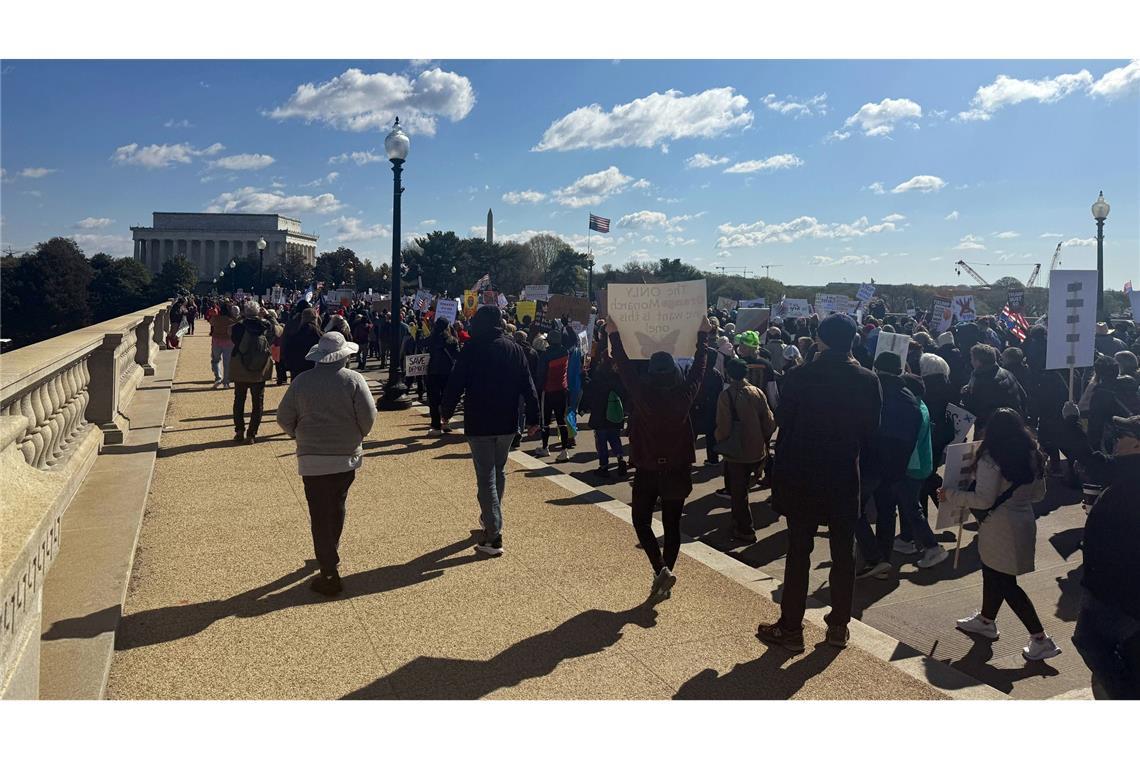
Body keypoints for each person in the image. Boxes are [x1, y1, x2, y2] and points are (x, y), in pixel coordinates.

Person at [757, 314, 881, 653]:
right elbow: (871, 431)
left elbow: (783, 421)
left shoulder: (800, 376)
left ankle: (791, 628)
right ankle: (838, 627)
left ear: (821, 340)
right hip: (844, 473)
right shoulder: (869, 380)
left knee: (799, 552)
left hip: (803, 473)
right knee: (844, 554)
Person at [938, 409, 1062, 661]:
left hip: (999, 525)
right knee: (994, 574)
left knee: (1005, 582)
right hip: (1023, 520)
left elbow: (983, 500)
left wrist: (950, 494)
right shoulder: (1034, 453)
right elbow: (1039, 494)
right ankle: (986, 619)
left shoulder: (990, 458)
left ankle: (1040, 638)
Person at [606, 315, 713, 602]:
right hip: (677, 468)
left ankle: (660, 569)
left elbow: (626, 369)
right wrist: (704, 337)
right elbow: (699, 371)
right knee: (672, 525)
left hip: (647, 468)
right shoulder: (684, 395)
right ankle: (665, 574)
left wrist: (614, 334)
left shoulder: (643, 393)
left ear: (651, 373)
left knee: (641, 520)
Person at [276, 332, 377, 596]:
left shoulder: (302, 381)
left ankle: (328, 566)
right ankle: (330, 551)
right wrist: (358, 434)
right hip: (345, 454)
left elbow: (283, 417)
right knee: (337, 504)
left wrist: (297, 433)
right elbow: (368, 416)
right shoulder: (353, 380)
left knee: (319, 512)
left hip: (312, 457)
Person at [441, 306, 540, 557]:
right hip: (507, 421)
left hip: (480, 420)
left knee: (486, 476)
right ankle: (490, 516)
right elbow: (528, 385)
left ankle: (494, 535)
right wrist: (534, 417)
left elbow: (456, 381)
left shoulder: (472, 348)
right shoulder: (515, 349)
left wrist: (446, 410)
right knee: (498, 470)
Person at [1059, 408, 1140, 698]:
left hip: (1113, 590)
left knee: (1089, 641)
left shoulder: (1130, 473)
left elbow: (1093, 460)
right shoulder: (1128, 470)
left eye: (1123, 435)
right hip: (1121, 589)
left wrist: (1070, 424)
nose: (1115, 439)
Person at [714, 357, 776, 543]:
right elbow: (770, 421)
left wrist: (719, 439)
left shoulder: (726, 396)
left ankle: (744, 528)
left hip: (737, 451)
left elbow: (723, 426)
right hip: (757, 448)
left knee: (738, 492)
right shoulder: (757, 392)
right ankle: (742, 523)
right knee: (748, 484)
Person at [577, 334, 628, 478]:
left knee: (601, 440)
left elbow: (590, 389)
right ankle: (620, 458)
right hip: (615, 411)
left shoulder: (600, 374)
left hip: (600, 412)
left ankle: (604, 465)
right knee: (615, 438)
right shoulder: (619, 375)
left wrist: (584, 376)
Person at [961, 343, 1026, 435]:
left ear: (978, 362)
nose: (971, 361)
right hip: (1014, 423)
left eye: (972, 358)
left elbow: (976, 409)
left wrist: (965, 394)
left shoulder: (983, 381)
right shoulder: (1007, 372)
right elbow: (1023, 396)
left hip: (993, 430)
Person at [1087, 355, 1140, 452]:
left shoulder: (1101, 393)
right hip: (1136, 432)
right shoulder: (1131, 383)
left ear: (1098, 372)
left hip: (1120, 441)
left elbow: (1095, 426)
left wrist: (1094, 452)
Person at [535, 331, 572, 461]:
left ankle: (545, 447)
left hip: (548, 390)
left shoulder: (545, 355)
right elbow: (572, 340)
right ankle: (564, 450)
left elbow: (541, 374)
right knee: (561, 421)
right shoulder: (565, 352)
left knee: (545, 421)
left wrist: (538, 389)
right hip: (562, 388)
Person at [425, 317, 459, 435]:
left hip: (433, 372)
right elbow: (457, 356)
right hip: (448, 373)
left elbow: (420, 344)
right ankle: (446, 421)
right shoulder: (453, 340)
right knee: (447, 398)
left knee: (434, 400)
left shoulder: (431, 339)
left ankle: (436, 425)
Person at [283, 308, 322, 380]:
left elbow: (286, 352)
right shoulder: (321, 336)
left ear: (303, 318)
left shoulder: (294, 335)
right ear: (316, 319)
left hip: (297, 371)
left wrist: (290, 366)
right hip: (314, 371)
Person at [208, 301, 239, 389]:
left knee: (215, 360)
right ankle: (226, 381)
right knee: (227, 362)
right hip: (228, 341)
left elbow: (211, 322)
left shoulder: (216, 318)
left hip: (216, 340)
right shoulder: (231, 319)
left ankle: (218, 377)